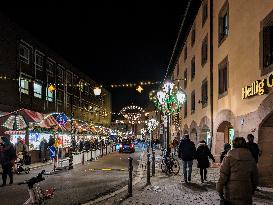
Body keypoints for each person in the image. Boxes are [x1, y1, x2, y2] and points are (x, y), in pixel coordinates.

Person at [217, 137, 258, 205]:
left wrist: (219, 189)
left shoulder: (228, 157)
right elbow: (255, 176)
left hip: (232, 190)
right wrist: (253, 188)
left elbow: (223, 175)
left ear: (233, 144)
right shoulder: (250, 157)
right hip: (246, 189)